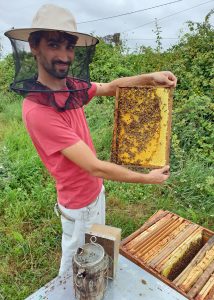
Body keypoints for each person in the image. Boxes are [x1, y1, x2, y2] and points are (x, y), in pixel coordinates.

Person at [4, 4, 177, 275]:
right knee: (76, 268)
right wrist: (148, 178)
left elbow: (109, 88)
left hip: (94, 193)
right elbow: (94, 166)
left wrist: (149, 78)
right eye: (54, 45)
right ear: (34, 47)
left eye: (69, 47)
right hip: (80, 202)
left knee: (94, 257)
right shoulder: (38, 111)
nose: (64, 56)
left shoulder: (71, 87)